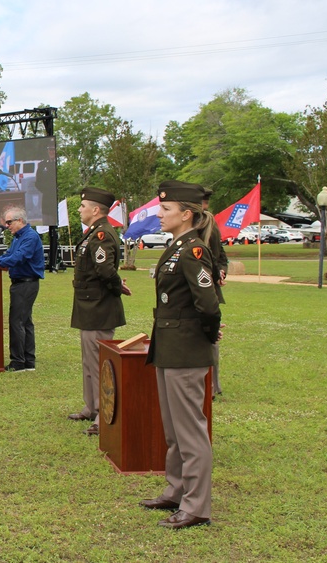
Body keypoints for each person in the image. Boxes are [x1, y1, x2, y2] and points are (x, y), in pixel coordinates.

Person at [139, 181, 221, 529]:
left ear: (186, 215)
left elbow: (209, 306)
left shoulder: (193, 251)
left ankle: (197, 506)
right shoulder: (176, 247)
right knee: (173, 431)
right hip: (169, 347)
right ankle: (176, 490)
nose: (159, 214)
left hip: (186, 350)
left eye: (166, 210)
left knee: (190, 432)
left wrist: (203, 339)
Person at [69, 187, 132, 435]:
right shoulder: (94, 233)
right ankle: (91, 406)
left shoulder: (102, 235)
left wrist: (118, 287)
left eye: (83, 206)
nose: (79, 209)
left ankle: (102, 416)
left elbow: (105, 270)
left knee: (99, 363)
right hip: (88, 306)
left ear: (96, 210)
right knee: (89, 361)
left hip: (98, 307)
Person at [0, 206, 45, 371]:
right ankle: (28, 361)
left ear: (20, 220)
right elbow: (9, 255)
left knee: (17, 322)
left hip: (26, 283)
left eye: (9, 222)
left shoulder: (30, 237)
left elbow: (19, 257)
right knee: (25, 322)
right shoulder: (18, 236)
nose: (7, 226)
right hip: (20, 283)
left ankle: (18, 362)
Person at [202, 187, 228, 399]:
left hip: (206, 288)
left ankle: (212, 384)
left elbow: (220, 254)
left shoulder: (209, 223)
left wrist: (221, 271)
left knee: (210, 336)